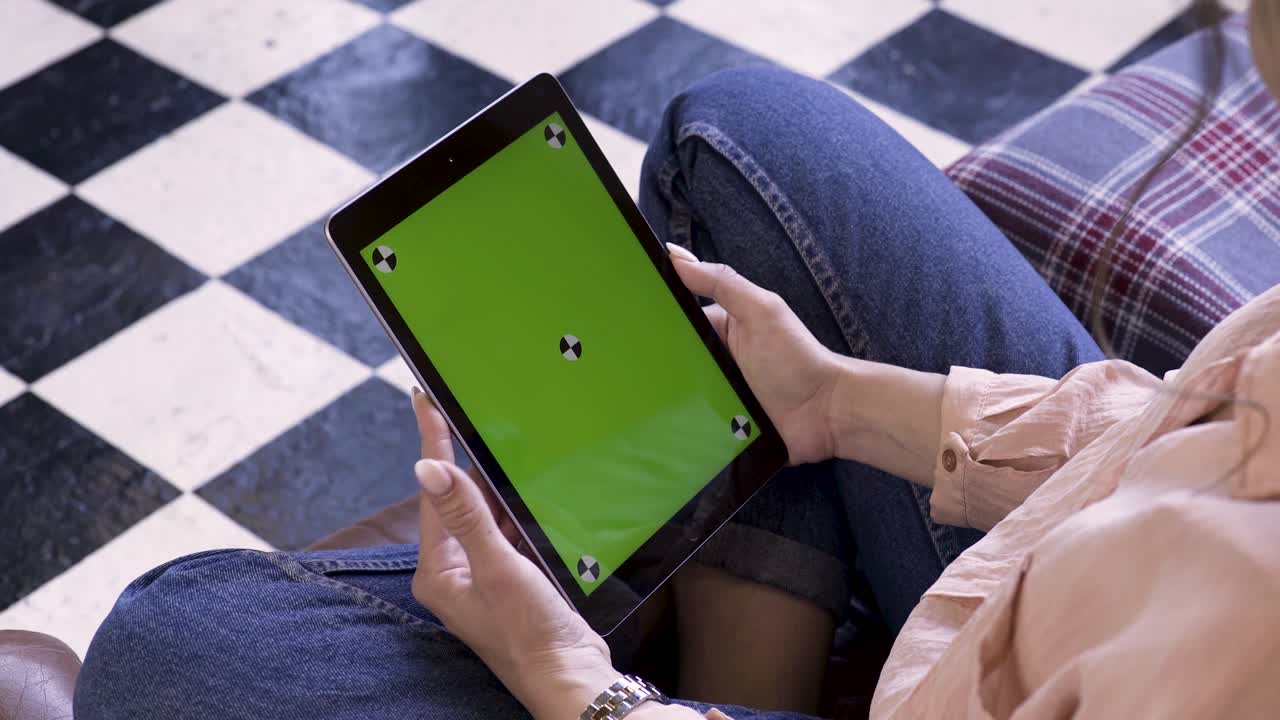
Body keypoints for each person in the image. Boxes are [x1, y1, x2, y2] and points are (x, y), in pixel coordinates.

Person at [75, 3, 1279, 718]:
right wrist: (844, 406)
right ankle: (733, 670)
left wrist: (572, 683)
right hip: (1065, 570)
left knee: (170, 640)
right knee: (742, 135)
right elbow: (1185, 429)